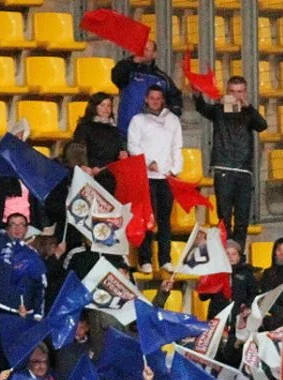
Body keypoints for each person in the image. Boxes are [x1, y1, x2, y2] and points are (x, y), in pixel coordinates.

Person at [192, 76, 267, 244]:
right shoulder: (220, 109)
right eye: (232, 91)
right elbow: (203, 108)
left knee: (242, 218)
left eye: (240, 91)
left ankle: (238, 254)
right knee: (224, 217)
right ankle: (225, 250)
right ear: (227, 92)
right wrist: (197, 95)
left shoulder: (248, 112)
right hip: (224, 167)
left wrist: (249, 108)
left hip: (244, 170)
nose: (236, 95)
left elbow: (262, 125)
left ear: (245, 92)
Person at [127, 86, 183, 273]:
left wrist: (175, 169)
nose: (155, 101)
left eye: (159, 98)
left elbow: (177, 147)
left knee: (165, 220)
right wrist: (147, 162)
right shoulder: (138, 120)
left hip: (166, 177)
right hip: (146, 177)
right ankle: (145, 260)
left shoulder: (172, 120)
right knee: (147, 219)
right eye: (152, 98)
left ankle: (165, 258)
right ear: (146, 99)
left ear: (163, 100)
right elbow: (133, 146)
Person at [110, 40, 184, 117]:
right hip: (127, 123)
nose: (143, 52)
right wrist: (133, 62)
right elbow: (116, 77)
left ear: (154, 54)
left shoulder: (161, 77)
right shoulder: (128, 69)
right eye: (142, 49)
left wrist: (173, 116)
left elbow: (175, 97)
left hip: (152, 125)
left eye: (147, 49)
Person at [72, 93, 126, 170]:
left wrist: (122, 154)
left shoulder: (114, 129)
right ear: (94, 107)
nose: (106, 109)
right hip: (90, 171)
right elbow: (77, 152)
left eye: (109, 106)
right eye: (102, 105)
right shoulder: (84, 127)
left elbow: (117, 151)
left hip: (110, 170)